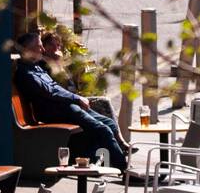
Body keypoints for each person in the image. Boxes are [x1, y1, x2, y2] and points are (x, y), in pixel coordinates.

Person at [14, 30, 128, 172]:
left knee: (109, 123)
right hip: (53, 111)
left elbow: (56, 87)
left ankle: (104, 160)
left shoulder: (36, 67)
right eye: (39, 46)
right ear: (28, 50)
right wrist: (76, 98)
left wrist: (76, 98)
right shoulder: (26, 73)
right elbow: (50, 91)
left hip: (65, 106)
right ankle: (124, 169)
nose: (42, 49)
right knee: (102, 130)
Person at [39, 29, 133, 155]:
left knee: (105, 105)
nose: (56, 48)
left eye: (58, 45)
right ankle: (120, 146)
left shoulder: (58, 62)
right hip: (66, 103)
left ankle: (121, 143)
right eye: (52, 44)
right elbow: (60, 87)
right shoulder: (44, 65)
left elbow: (72, 84)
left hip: (75, 98)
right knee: (103, 106)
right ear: (44, 47)